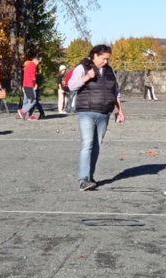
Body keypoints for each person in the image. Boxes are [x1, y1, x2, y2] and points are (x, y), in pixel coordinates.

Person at [68, 44, 125, 191]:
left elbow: (116, 91)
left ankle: (90, 177)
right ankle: (83, 179)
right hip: (87, 111)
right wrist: (86, 77)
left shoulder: (109, 70)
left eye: (108, 59)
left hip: (104, 113)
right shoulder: (82, 67)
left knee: (97, 146)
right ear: (95, 55)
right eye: (104, 59)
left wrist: (120, 110)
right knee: (87, 144)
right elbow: (71, 85)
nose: (106, 62)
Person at [18, 54, 45, 120]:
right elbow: (33, 76)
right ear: (36, 60)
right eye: (38, 61)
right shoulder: (33, 65)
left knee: (27, 101)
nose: (38, 63)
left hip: (25, 85)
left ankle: (27, 115)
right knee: (33, 101)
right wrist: (35, 84)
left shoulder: (27, 66)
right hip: (30, 85)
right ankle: (22, 111)